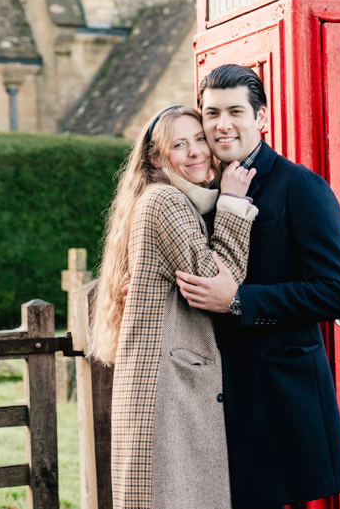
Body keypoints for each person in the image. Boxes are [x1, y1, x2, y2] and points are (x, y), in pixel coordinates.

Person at [175, 65, 340, 509]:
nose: (222, 124)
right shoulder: (201, 187)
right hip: (216, 389)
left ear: (261, 117)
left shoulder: (301, 187)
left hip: (279, 392)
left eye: (236, 111)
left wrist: (238, 301)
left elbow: (339, 292)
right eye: (212, 112)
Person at [89, 104, 259, 509]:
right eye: (179, 145)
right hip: (170, 395)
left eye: (200, 138)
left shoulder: (172, 199)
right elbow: (218, 279)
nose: (197, 151)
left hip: (166, 389)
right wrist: (234, 203)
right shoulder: (166, 200)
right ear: (156, 158)